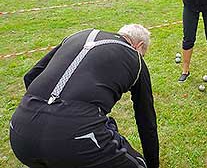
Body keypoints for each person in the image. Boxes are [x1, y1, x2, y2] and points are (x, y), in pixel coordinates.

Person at [9, 24, 159, 168]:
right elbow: (146, 120)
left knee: (107, 125)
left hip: (20, 134)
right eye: (143, 54)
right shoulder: (136, 59)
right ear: (138, 46)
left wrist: (45, 112)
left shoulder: (78, 35)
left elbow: (30, 76)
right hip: (76, 139)